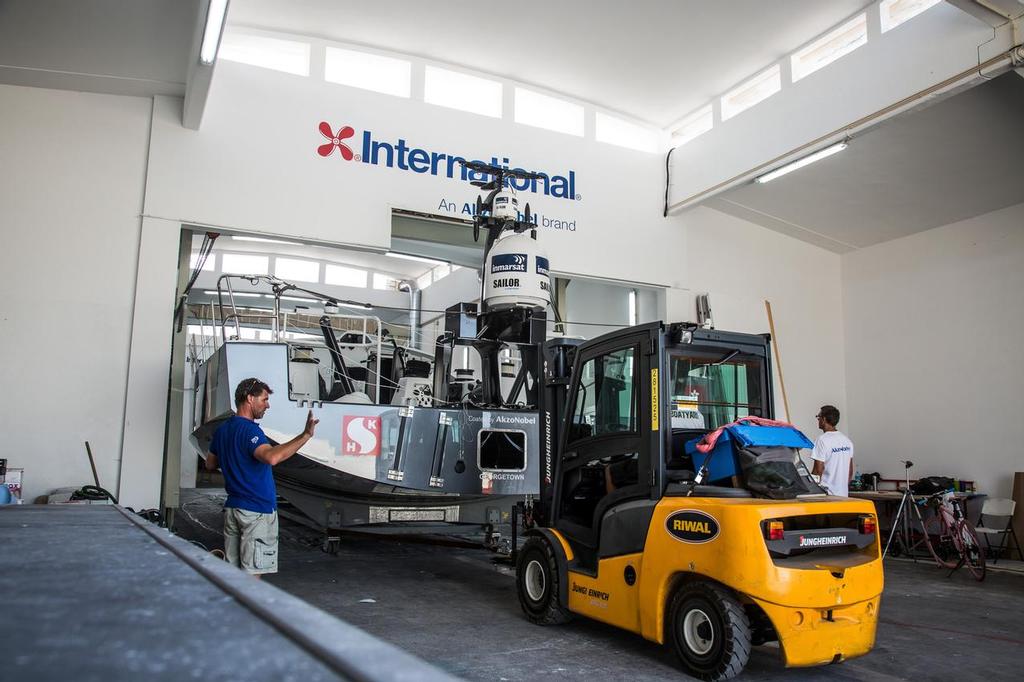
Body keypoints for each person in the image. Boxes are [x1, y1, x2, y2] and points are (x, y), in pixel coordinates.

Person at [206, 377, 318, 578]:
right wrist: (305, 436)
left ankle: (231, 608)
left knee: (233, 574)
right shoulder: (250, 430)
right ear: (249, 398)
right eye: (264, 399)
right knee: (252, 578)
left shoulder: (222, 430)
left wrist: (235, 460)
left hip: (233, 508)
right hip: (256, 511)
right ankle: (246, 609)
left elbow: (210, 464)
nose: (267, 405)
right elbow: (272, 457)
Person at [810, 405, 854, 497]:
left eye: (819, 417)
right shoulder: (847, 441)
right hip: (843, 496)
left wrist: (810, 488)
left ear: (824, 419)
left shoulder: (822, 440)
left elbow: (818, 471)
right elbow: (850, 471)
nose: (818, 420)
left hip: (827, 496)